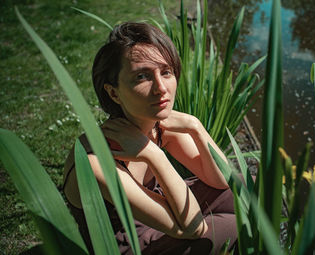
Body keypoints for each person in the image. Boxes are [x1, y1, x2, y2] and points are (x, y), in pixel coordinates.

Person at [63, 22, 237, 254]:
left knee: (244, 191)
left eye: (166, 72)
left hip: (164, 217)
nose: (160, 88)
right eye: (142, 76)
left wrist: (196, 126)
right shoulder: (97, 163)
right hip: (126, 244)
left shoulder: (159, 127)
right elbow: (193, 228)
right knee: (231, 227)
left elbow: (223, 181)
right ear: (113, 92)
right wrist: (152, 154)